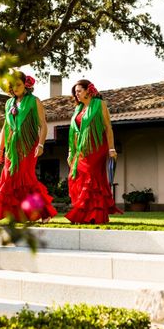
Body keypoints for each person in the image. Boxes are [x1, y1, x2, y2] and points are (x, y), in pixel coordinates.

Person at [0, 72, 57, 222]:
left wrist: (41, 144)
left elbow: (43, 125)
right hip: (11, 148)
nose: (15, 88)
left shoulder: (35, 101)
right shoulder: (9, 103)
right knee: (9, 179)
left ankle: (44, 212)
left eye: (18, 84)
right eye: (12, 85)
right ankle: (13, 214)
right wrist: (0, 149)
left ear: (26, 84)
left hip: (28, 146)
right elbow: (6, 128)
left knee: (27, 179)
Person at [65, 79, 122, 224]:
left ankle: (94, 215)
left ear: (88, 91)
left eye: (79, 91)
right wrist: (71, 152)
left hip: (96, 147)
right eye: (75, 92)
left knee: (91, 179)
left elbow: (108, 127)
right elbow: (74, 132)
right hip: (81, 151)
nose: (76, 94)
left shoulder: (99, 104)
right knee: (75, 177)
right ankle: (85, 213)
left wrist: (111, 148)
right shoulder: (78, 109)